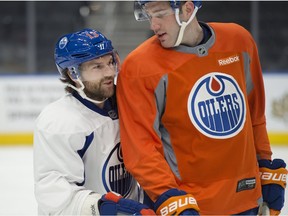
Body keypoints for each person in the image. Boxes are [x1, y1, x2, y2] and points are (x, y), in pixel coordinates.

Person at [116, 1, 287, 215]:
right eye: (149, 17)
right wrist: (167, 195)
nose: (154, 25)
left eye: (159, 15)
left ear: (187, 9)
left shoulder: (239, 41)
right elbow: (141, 148)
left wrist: (264, 163)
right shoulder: (140, 67)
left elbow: (254, 116)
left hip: (247, 200)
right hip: (190, 207)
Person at [33, 28, 155, 215]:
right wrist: (105, 206)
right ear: (73, 74)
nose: (109, 72)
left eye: (110, 62)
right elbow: (54, 196)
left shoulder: (127, 103)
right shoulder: (60, 121)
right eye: (97, 67)